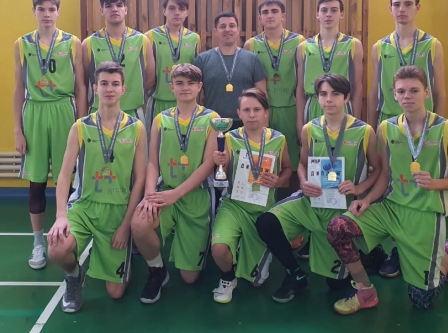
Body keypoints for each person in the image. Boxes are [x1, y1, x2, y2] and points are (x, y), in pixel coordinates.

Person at [326, 65, 448, 315]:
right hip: (391, 209)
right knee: (338, 228)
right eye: (401, 91)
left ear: (426, 92)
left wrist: (435, 183)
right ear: (394, 94)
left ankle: (447, 253)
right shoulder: (386, 127)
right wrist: (368, 199)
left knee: (421, 301)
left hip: (426, 213)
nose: (407, 96)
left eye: (414, 90)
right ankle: (365, 290)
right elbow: (385, 173)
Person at [256, 74, 381, 302]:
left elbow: (378, 169)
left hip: (342, 209)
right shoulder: (310, 129)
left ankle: (366, 255)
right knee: (266, 222)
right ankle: (295, 273)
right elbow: (302, 164)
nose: (328, 99)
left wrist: (358, 187)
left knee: (336, 286)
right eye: (323, 94)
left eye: (335, 94)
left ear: (347, 98)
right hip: (312, 202)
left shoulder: (364, 131)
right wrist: (303, 181)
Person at [47, 62, 147, 313]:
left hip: (117, 211)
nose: (109, 89)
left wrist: (126, 225)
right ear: (95, 88)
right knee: (56, 248)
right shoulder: (80, 126)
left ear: (123, 89)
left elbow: (140, 179)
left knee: (115, 292)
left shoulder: (136, 128)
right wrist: (61, 216)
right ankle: (73, 275)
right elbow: (63, 175)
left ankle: (121, 258)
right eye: (104, 83)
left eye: (115, 84)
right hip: (84, 207)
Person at [367, 0, 446, 278]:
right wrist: (370, 130)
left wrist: (440, 129)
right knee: (388, 183)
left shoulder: (433, 44)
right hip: (388, 125)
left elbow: (439, 91)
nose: (402, 9)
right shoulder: (380, 46)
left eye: (408, 4)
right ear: (390, 8)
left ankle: (408, 251)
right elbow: (374, 92)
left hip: (422, 128)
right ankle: (387, 248)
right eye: (397, 4)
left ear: (417, 8)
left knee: (415, 187)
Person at [131, 64, 218, 304]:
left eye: (190, 83)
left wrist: (176, 194)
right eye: (179, 83)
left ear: (200, 87)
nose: (185, 87)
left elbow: (208, 165)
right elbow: (152, 163)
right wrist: (150, 195)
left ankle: (188, 249)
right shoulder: (161, 119)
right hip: (165, 192)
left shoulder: (212, 119)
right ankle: (157, 270)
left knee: (190, 278)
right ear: (171, 87)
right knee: (139, 223)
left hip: (196, 197)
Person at [13, 0, 86, 270]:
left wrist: (82, 124)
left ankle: (69, 236)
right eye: (41, 9)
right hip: (34, 112)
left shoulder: (72, 43)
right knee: (37, 183)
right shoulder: (22, 44)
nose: (46, 14)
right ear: (34, 11)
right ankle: (38, 243)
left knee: (70, 180)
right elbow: (19, 88)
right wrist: (17, 129)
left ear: (58, 11)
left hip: (64, 111)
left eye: (51, 9)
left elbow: (81, 87)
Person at [294, 0, 363, 259]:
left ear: (342, 14)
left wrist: (357, 117)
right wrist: (300, 121)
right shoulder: (304, 47)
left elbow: (358, 87)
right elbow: (300, 89)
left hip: (343, 111)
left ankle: (346, 231)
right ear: (317, 14)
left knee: (345, 170)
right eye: (324, 10)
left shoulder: (353, 44)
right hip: (313, 109)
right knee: (314, 171)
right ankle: (313, 232)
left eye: (334, 10)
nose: (329, 14)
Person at [210, 88, 292, 303]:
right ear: (239, 113)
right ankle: (227, 278)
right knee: (218, 249)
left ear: (266, 112)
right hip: (234, 205)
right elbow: (221, 173)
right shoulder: (229, 138)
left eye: (257, 109)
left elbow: (287, 169)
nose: (252, 114)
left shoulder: (278, 139)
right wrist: (220, 163)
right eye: (246, 110)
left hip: (263, 211)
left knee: (256, 283)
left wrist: (279, 181)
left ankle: (248, 251)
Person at [244, 0, 305, 180]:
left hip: (290, 109)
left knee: (292, 162)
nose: (269, 15)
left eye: (274, 11)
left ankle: (291, 194)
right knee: (265, 156)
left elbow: (302, 83)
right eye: (265, 12)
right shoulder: (251, 44)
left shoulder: (299, 42)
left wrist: (300, 120)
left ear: (283, 16)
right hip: (263, 110)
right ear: (260, 18)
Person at [83, 0, 155, 120]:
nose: (114, 9)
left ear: (125, 10)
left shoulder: (142, 40)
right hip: (99, 112)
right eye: (109, 6)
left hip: (133, 112)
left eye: (119, 5)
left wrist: (130, 96)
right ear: (101, 11)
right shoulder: (89, 43)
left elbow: (150, 79)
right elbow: (85, 80)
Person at [193, 12, 267, 131]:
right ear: (216, 31)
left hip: (246, 124)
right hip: (212, 124)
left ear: (238, 30)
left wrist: (264, 128)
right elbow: (194, 96)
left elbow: (262, 96)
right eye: (223, 26)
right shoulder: (202, 60)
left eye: (232, 26)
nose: (227, 29)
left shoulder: (253, 59)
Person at [145, 0, 201, 127]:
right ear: (164, 11)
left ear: (187, 12)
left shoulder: (194, 39)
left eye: (181, 9)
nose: (177, 13)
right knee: (155, 139)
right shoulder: (150, 36)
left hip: (185, 102)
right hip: (158, 102)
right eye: (172, 8)